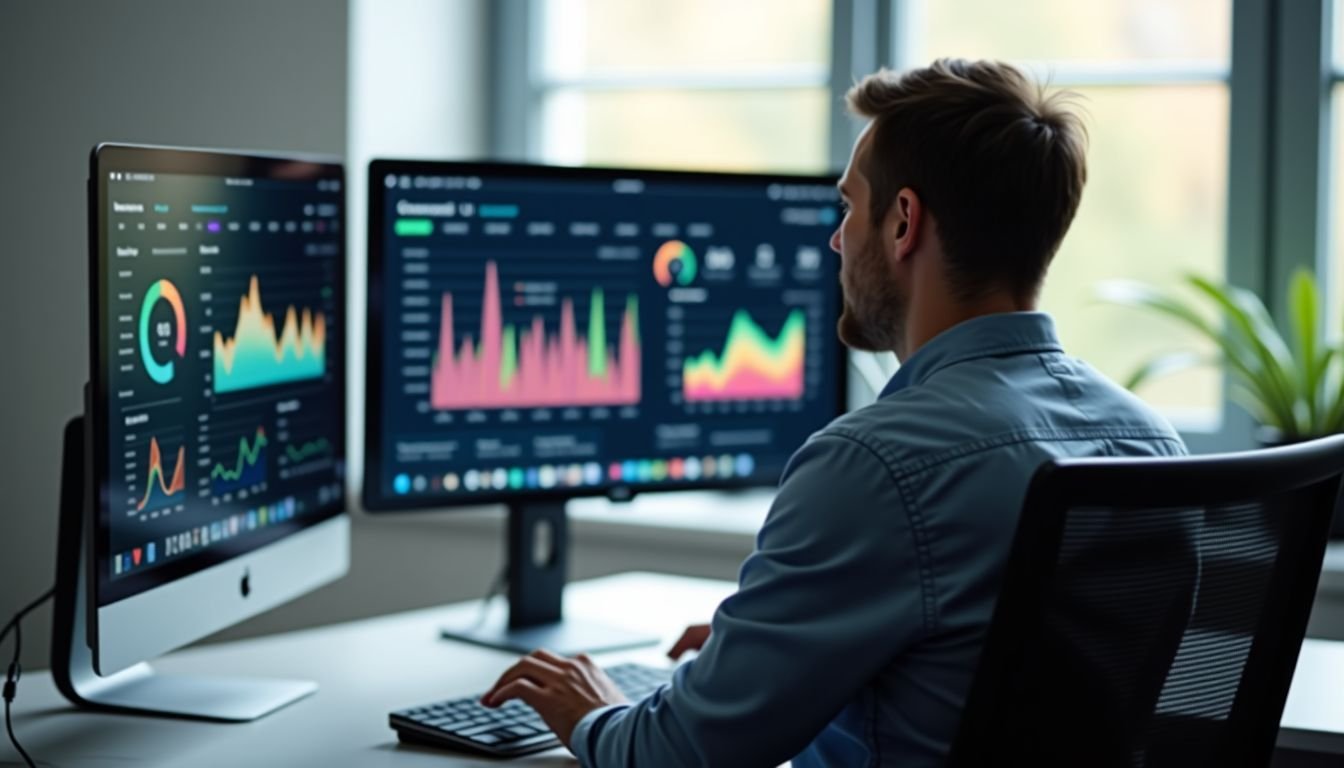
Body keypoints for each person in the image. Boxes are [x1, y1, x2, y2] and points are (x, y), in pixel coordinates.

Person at [481, 58, 1187, 767]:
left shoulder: (875, 464)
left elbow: (678, 755)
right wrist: (776, 651)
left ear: (903, 221)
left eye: (849, 207)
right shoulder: (1154, 446)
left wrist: (595, 711)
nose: (834, 240)